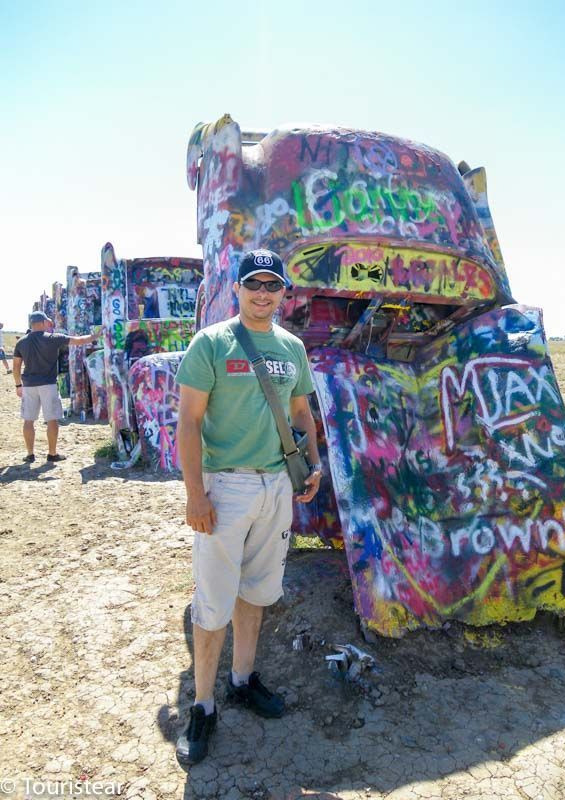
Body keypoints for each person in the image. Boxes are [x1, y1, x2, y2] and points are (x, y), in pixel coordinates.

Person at [175, 249, 322, 765]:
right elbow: (189, 422)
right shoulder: (211, 343)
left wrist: (313, 464)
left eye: (273, 285)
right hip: (226, 489)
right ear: (236, 289)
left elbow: (301, 411)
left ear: (284, 292)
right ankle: (203, 705)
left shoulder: (292, 347)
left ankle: (242, 679)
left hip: (277, 487)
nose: (263, 293)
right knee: (212, 600)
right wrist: (196, 494)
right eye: (254, 284)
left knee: (256, 593)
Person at [12, 311, 100, 463]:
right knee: (52, 420)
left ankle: (30, 454)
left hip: (29, 386)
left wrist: (18, 385)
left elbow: (16, 367)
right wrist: (95, 336)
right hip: (48, 385)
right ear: (43, 322)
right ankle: (52, 454)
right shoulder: (54, 338)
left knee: (28, 420)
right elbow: (78, 341)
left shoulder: (21, 342)